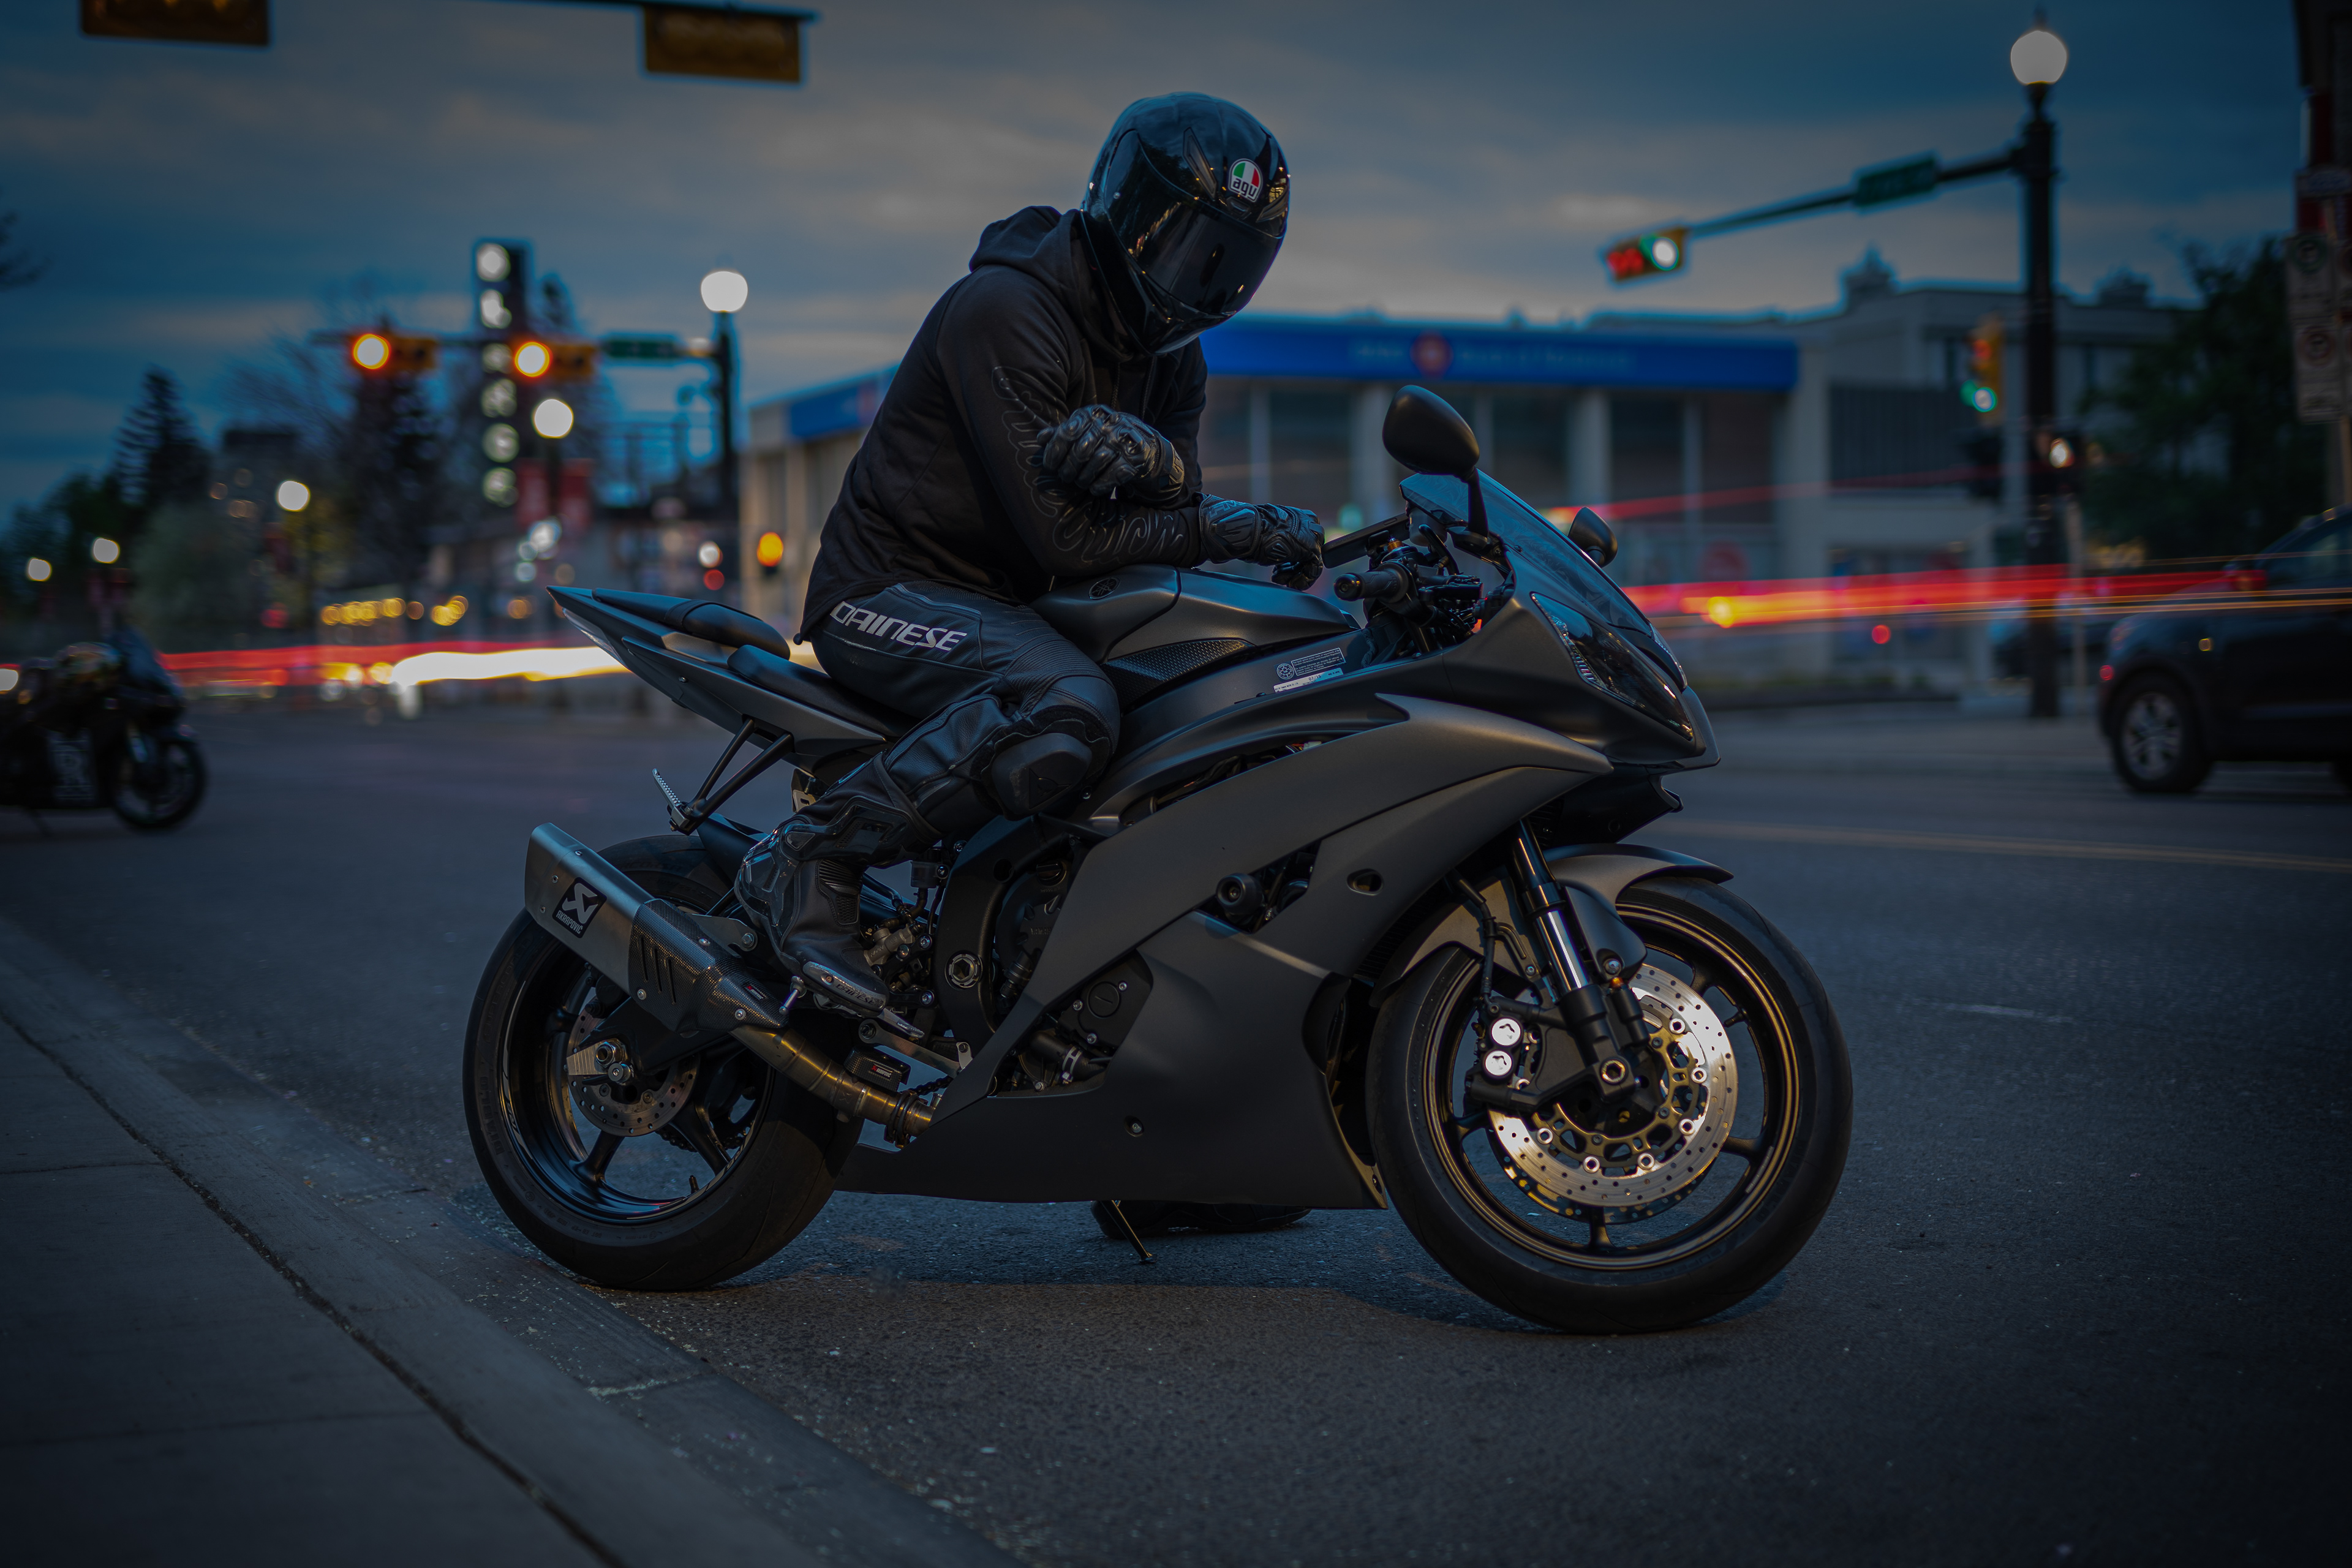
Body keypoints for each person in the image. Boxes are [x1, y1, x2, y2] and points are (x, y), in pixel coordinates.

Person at [736, 92, 1323, 1019]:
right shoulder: (1004, 310)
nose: (1202, 282)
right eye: (1188, 246)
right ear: (1126, 210)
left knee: (1202, 688)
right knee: (1067, 706)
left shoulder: (1175, 360)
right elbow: (1073, 539)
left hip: (1017, 611)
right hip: (890, 591)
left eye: (1229, 261)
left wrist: (1172, 476)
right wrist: (1224, 521)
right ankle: (812, 857)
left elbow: (1164, 529)